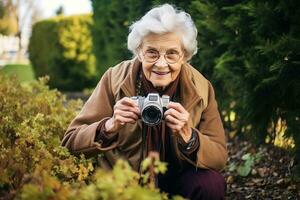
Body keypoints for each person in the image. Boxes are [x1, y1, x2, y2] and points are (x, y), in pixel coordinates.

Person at [62, 4, 227, 200]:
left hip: (178, 179)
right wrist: (109, 125)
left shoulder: (201, 88)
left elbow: (219, 156)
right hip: (125, 182)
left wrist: (190, 137)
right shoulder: (114, 79)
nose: (161, 63)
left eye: (172, 54)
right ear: (139, 52)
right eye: (152, 52)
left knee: (211, 185)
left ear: (184, 55)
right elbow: (69, 142)